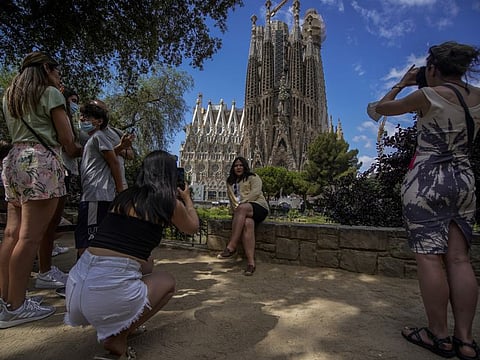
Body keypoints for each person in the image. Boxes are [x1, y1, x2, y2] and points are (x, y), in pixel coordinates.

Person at [375, 41, 480, 360]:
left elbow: (380, 108)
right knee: (460, 260)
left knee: (430, 258)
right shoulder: (479, 97)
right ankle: (465, 340)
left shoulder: (426, 95)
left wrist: (402, 83)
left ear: (433, 68)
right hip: (464, 180)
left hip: (426, 181)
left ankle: (440, 336)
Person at [65, 150, 199, 359]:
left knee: (148, 263)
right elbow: (192, 227)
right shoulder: (168, 203)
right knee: (167, 282)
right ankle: (117, 338)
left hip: (75, 288)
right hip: (104, 294)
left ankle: (121, 320)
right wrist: (187, 199)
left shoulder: (124, 198)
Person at [0, 51, 82, 328]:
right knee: (29, 239)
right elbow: (67, 139)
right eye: (57, 71)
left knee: (11, 235)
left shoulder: (10, 96)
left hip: (13, 161)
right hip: (40, 163)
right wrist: (79, 149)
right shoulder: (49, 94)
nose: (59, 77)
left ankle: (6, 301)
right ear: (46, 68)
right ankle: (16, 306)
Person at [35, 87, 80, 290]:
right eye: (72, 100)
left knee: (24, 232)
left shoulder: (17, 100)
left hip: (30, 165)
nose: (74, 104)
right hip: (53, 168)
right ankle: (44, 271)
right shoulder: (52, 100)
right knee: (48, 225)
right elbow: (69, 144)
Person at [74, 100, 124, 258]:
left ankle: (83, 275)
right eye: (82, 116)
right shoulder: (92, 139)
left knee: (88, 240)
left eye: (87, 117)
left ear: (99, 121)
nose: (82, 119)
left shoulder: (99, 137)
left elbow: (114, 162)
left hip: (97, 196)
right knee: (86, 237)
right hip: (92, 195)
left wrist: (121, 190)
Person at [217, 156, 269, 276]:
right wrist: (235, 213)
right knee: (247, 224)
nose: (238, 167)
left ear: (245, 166)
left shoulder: (253, 177)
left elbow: (256, 193)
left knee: (242, 209)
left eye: (241, 165)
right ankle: (251, 264)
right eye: (236, 165)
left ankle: (232, 245)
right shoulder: (230, 182)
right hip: (243, 212)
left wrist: (242, 204)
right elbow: (232, 200)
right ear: (233, 168)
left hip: (258, 207)